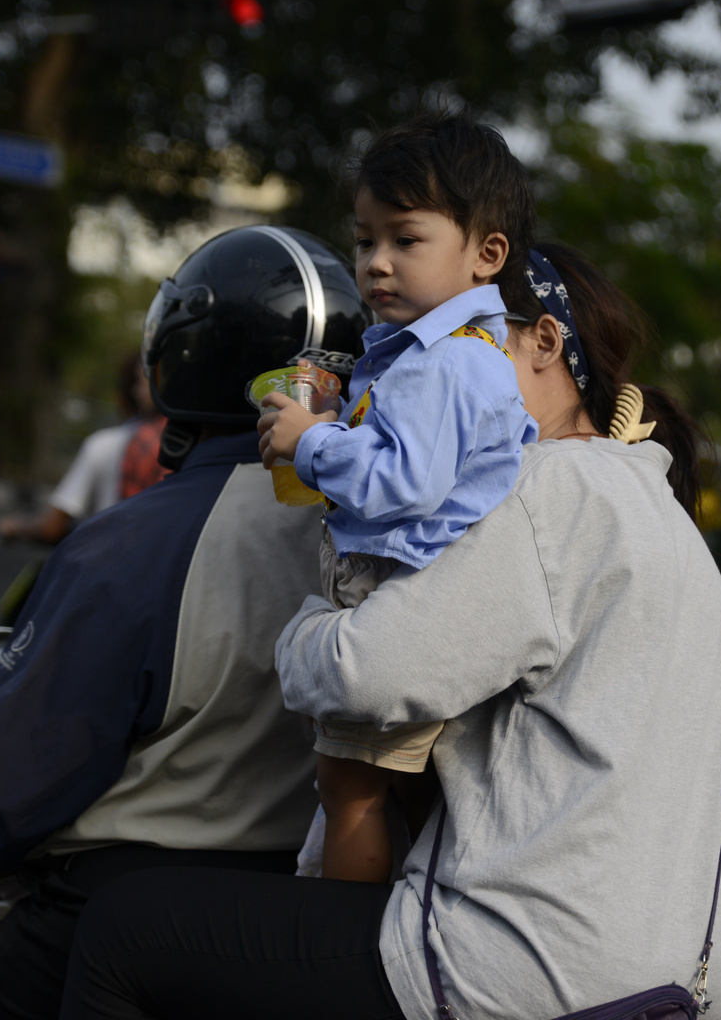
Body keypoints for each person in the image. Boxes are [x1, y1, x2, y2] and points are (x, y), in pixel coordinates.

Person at [60, 241, 721, 1020]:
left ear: (545, 344)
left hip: (529, 964)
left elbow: (366, 674)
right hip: (680, 973)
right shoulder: (649, 498)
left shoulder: (547, 488)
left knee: (123, 929)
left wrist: (315, 622)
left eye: (471, 341)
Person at [0, 226, 371, 1020]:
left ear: (186, 352)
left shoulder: (137, 542)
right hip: (297, 932)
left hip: (109, 924)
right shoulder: (381, 526)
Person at [257, 112, 538, 882]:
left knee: (348, 791)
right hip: (412, 593)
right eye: (364, 240)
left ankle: (335, 940)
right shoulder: (448, 356)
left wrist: (308, 441)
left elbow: (403, 482)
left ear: (487, 255)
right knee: (376, 789)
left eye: (405, 240)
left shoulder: (444, 363)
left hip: (394, 591)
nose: (376, 264)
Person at [0, 351, 163, 545]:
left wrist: (14, 527)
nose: (137, 391)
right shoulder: (194, 448)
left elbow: (52, 527)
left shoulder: (109, 445)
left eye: (142, 381)